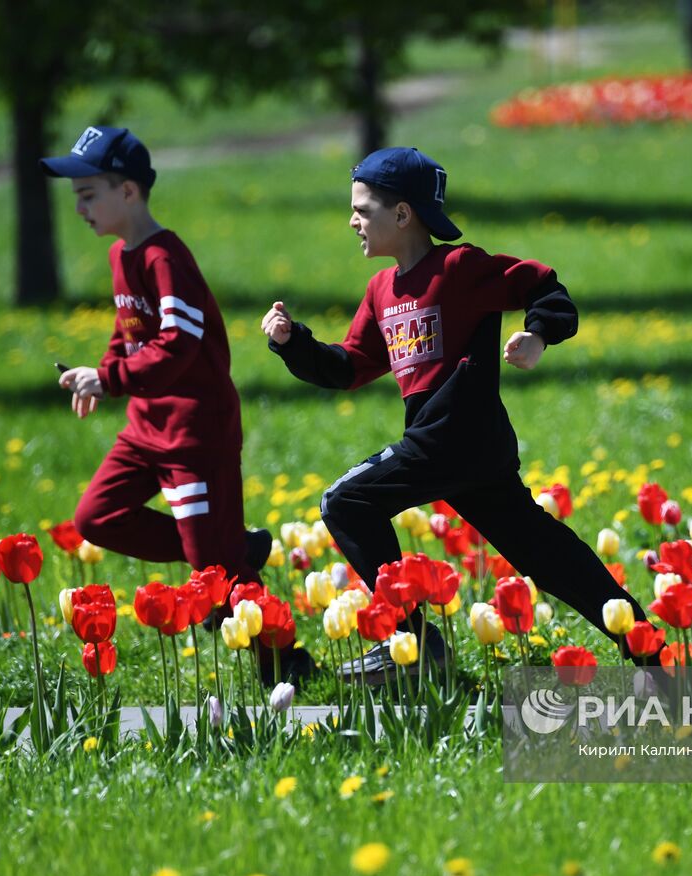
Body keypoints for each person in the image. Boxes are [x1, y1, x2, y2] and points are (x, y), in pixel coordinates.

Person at [262, 146, 650, 684]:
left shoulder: (459, 268)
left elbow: (542, 285)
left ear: (402, 215)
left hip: (455, 436)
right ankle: (653, 651)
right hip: (459, 449)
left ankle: (413, 642)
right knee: (547, 552)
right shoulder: (381, 291)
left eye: (363, 209)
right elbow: (348, 366)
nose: (352, 220)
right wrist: (292, 342)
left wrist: (537, 334)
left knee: (345, 501)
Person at [40, 125, 311, 686]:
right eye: (76, 198)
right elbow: (130, 330)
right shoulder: (122, 256)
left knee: (215, 573)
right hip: (146, 431)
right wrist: (99, 375)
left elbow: (179, 346)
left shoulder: (167, 257)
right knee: (96, 517)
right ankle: (232, 550)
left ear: (128, 193)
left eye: (88, 194)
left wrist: (111, 378)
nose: (80, 208)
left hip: (194, 435)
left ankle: (286, 662)